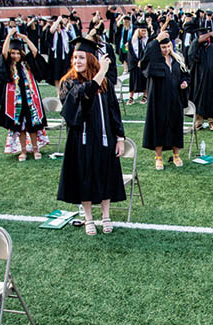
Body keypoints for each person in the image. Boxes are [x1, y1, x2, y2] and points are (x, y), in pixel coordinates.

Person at [57, 38, 126, 236]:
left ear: (90, 59)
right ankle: (88, 218)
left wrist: (120, 137)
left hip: (104, 137)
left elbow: (114, 110)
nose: (77, 61)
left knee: (105, 175)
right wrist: (100, 73)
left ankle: (106, 215)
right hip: (81, 139)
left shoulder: (104, 83)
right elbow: (82, 96)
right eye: (74, 58)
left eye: (81, 57)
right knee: (84, 178)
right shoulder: (68, 82)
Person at [141, 32, 189, 170]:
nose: (166, 49)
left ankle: (176, 155)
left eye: (168, 46)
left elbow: (186, 75)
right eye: (163, 47)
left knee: (175, 126)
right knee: (159, 128)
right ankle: (159, 157)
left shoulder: (177, 60)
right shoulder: (153, 62)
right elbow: (145, 58)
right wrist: (156, 40)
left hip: (175, 99)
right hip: (159, 101)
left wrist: (185, 82)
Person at [0, 31, 47, 162]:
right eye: (13, 53)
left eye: (18, 53)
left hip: (30, 97)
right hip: (15, 101)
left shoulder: (27, 62)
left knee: (33, 125)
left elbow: (35, 52)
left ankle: (36, 149)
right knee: (20, 127)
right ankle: (23, 150)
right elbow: (3, 53)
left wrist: (25, 38)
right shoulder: (8, 65)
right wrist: (8, 36)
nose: (15, 55)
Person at [187, 27, 213, 131]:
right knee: (198, 100)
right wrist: (207, 35)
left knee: (212, 102)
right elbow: (190, 54)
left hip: (212, 81)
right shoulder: (196, 50)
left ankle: (212, 122)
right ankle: (199, 122)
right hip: (198, 80)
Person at [126, 22, 149, 105]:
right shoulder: (132, 40)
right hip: (134, 64)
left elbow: (147, 52)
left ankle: (145, 96)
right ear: (138, 31)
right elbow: (130, 53)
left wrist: (142, 61)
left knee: (144, 79)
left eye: (145, 31)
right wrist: (136, 61)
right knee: (132, 80)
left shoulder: (147, 40)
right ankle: (131, 97)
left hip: (143, 63)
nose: (144, 32)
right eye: (142, 31)